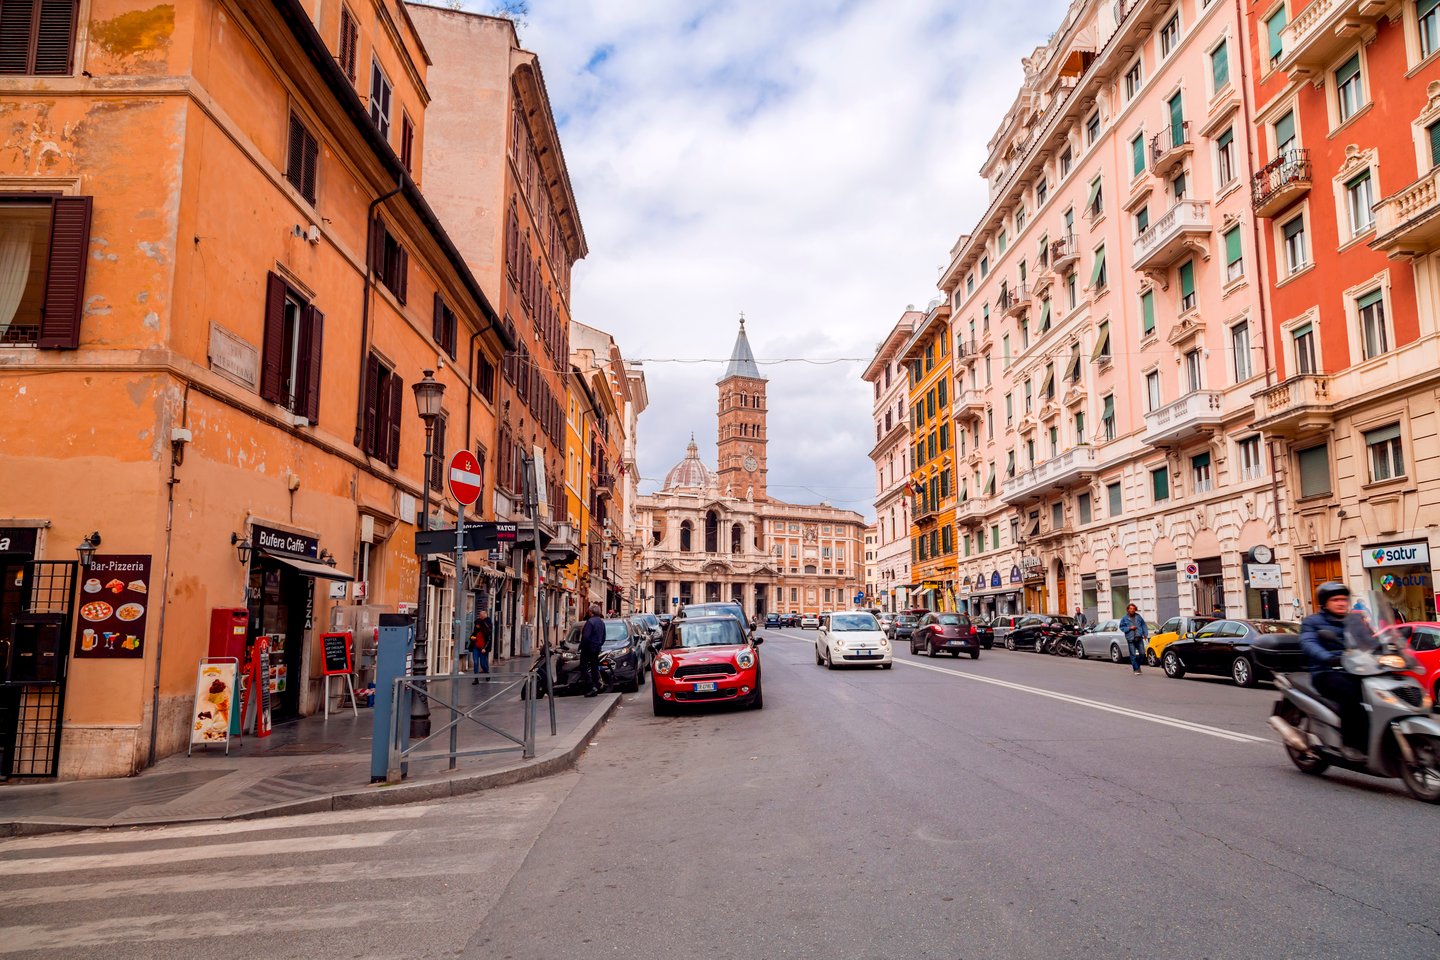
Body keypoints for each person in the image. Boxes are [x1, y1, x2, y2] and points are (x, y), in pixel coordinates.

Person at [1299, 582, 1368, 761]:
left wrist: (1388, 647)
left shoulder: (1355, 621)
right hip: (1326, 671)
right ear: (1325, 603)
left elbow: (1370, 641)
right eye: (1336, 599)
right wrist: (1327, 657)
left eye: (1344, 599)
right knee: (1352, 695)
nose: (1341, 603)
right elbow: (1309, 643)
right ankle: (1351, 744)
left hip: (1356, 670)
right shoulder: (1312, 622)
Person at [579, 602, 606, 697]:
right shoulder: (601, 622)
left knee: (584, 667)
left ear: (591, 612)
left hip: (588, 648)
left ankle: (591, 686)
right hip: (596, 648)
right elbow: (603, 637)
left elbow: (586, 637)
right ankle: (596, 685)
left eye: (589, 611)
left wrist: (583, 646)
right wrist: (598, 645)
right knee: (594, 668)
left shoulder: (590, 622)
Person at [1119, 603, 1148, 675]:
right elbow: (1121, 627)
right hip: (1130, 639)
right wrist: (1129, 628)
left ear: (1135, 609)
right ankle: (1136, 669)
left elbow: (1143, 625)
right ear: (1128, 609)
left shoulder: (1138, 617)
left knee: (1142, 654)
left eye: (1133, 609)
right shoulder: (1124, 618)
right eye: (1130, 609)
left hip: (1139, 637)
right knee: (1133, 655)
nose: (1132, 610)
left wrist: (1145, 634)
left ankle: (1137, 666)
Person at [468, 611, 492, 683]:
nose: (477, 626)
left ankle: (487, 673)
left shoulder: (487, 628)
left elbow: (489, 639)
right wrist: (472, 638)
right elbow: (472, 636)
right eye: (479, 615)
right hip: (476, 647)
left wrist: (485, 648)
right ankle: (476, 679)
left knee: (483, 664)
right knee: (475, 662)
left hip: (482, 648)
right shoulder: (476, 630)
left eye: (481, 615)